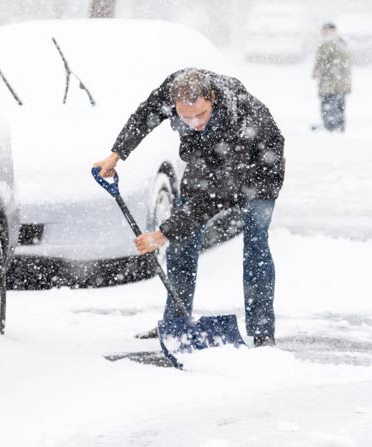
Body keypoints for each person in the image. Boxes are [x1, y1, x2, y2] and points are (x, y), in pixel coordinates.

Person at [93, 68, 285, 347]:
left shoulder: (239, 121)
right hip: (208, 158)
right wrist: (117, 153)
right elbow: (144, 116)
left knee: (255, 242)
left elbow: (212, 198)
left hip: (260, 168)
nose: (194, 122)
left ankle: (262, 331)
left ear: (213, 98)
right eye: (185, 117)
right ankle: (176, 322)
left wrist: (161, 234)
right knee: (182, 240)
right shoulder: (173, 89)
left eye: (201, 114)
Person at [312, 22, 352, 132]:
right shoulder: (341, 42)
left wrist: (316, 73)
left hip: (330, 83)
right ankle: (339, 127)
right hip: (342, 83)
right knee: (339, 108)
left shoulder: (327, 43)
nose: (323, 33)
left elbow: (321, 62)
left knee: (328, 108)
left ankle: (330, 129)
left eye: (325, 30)